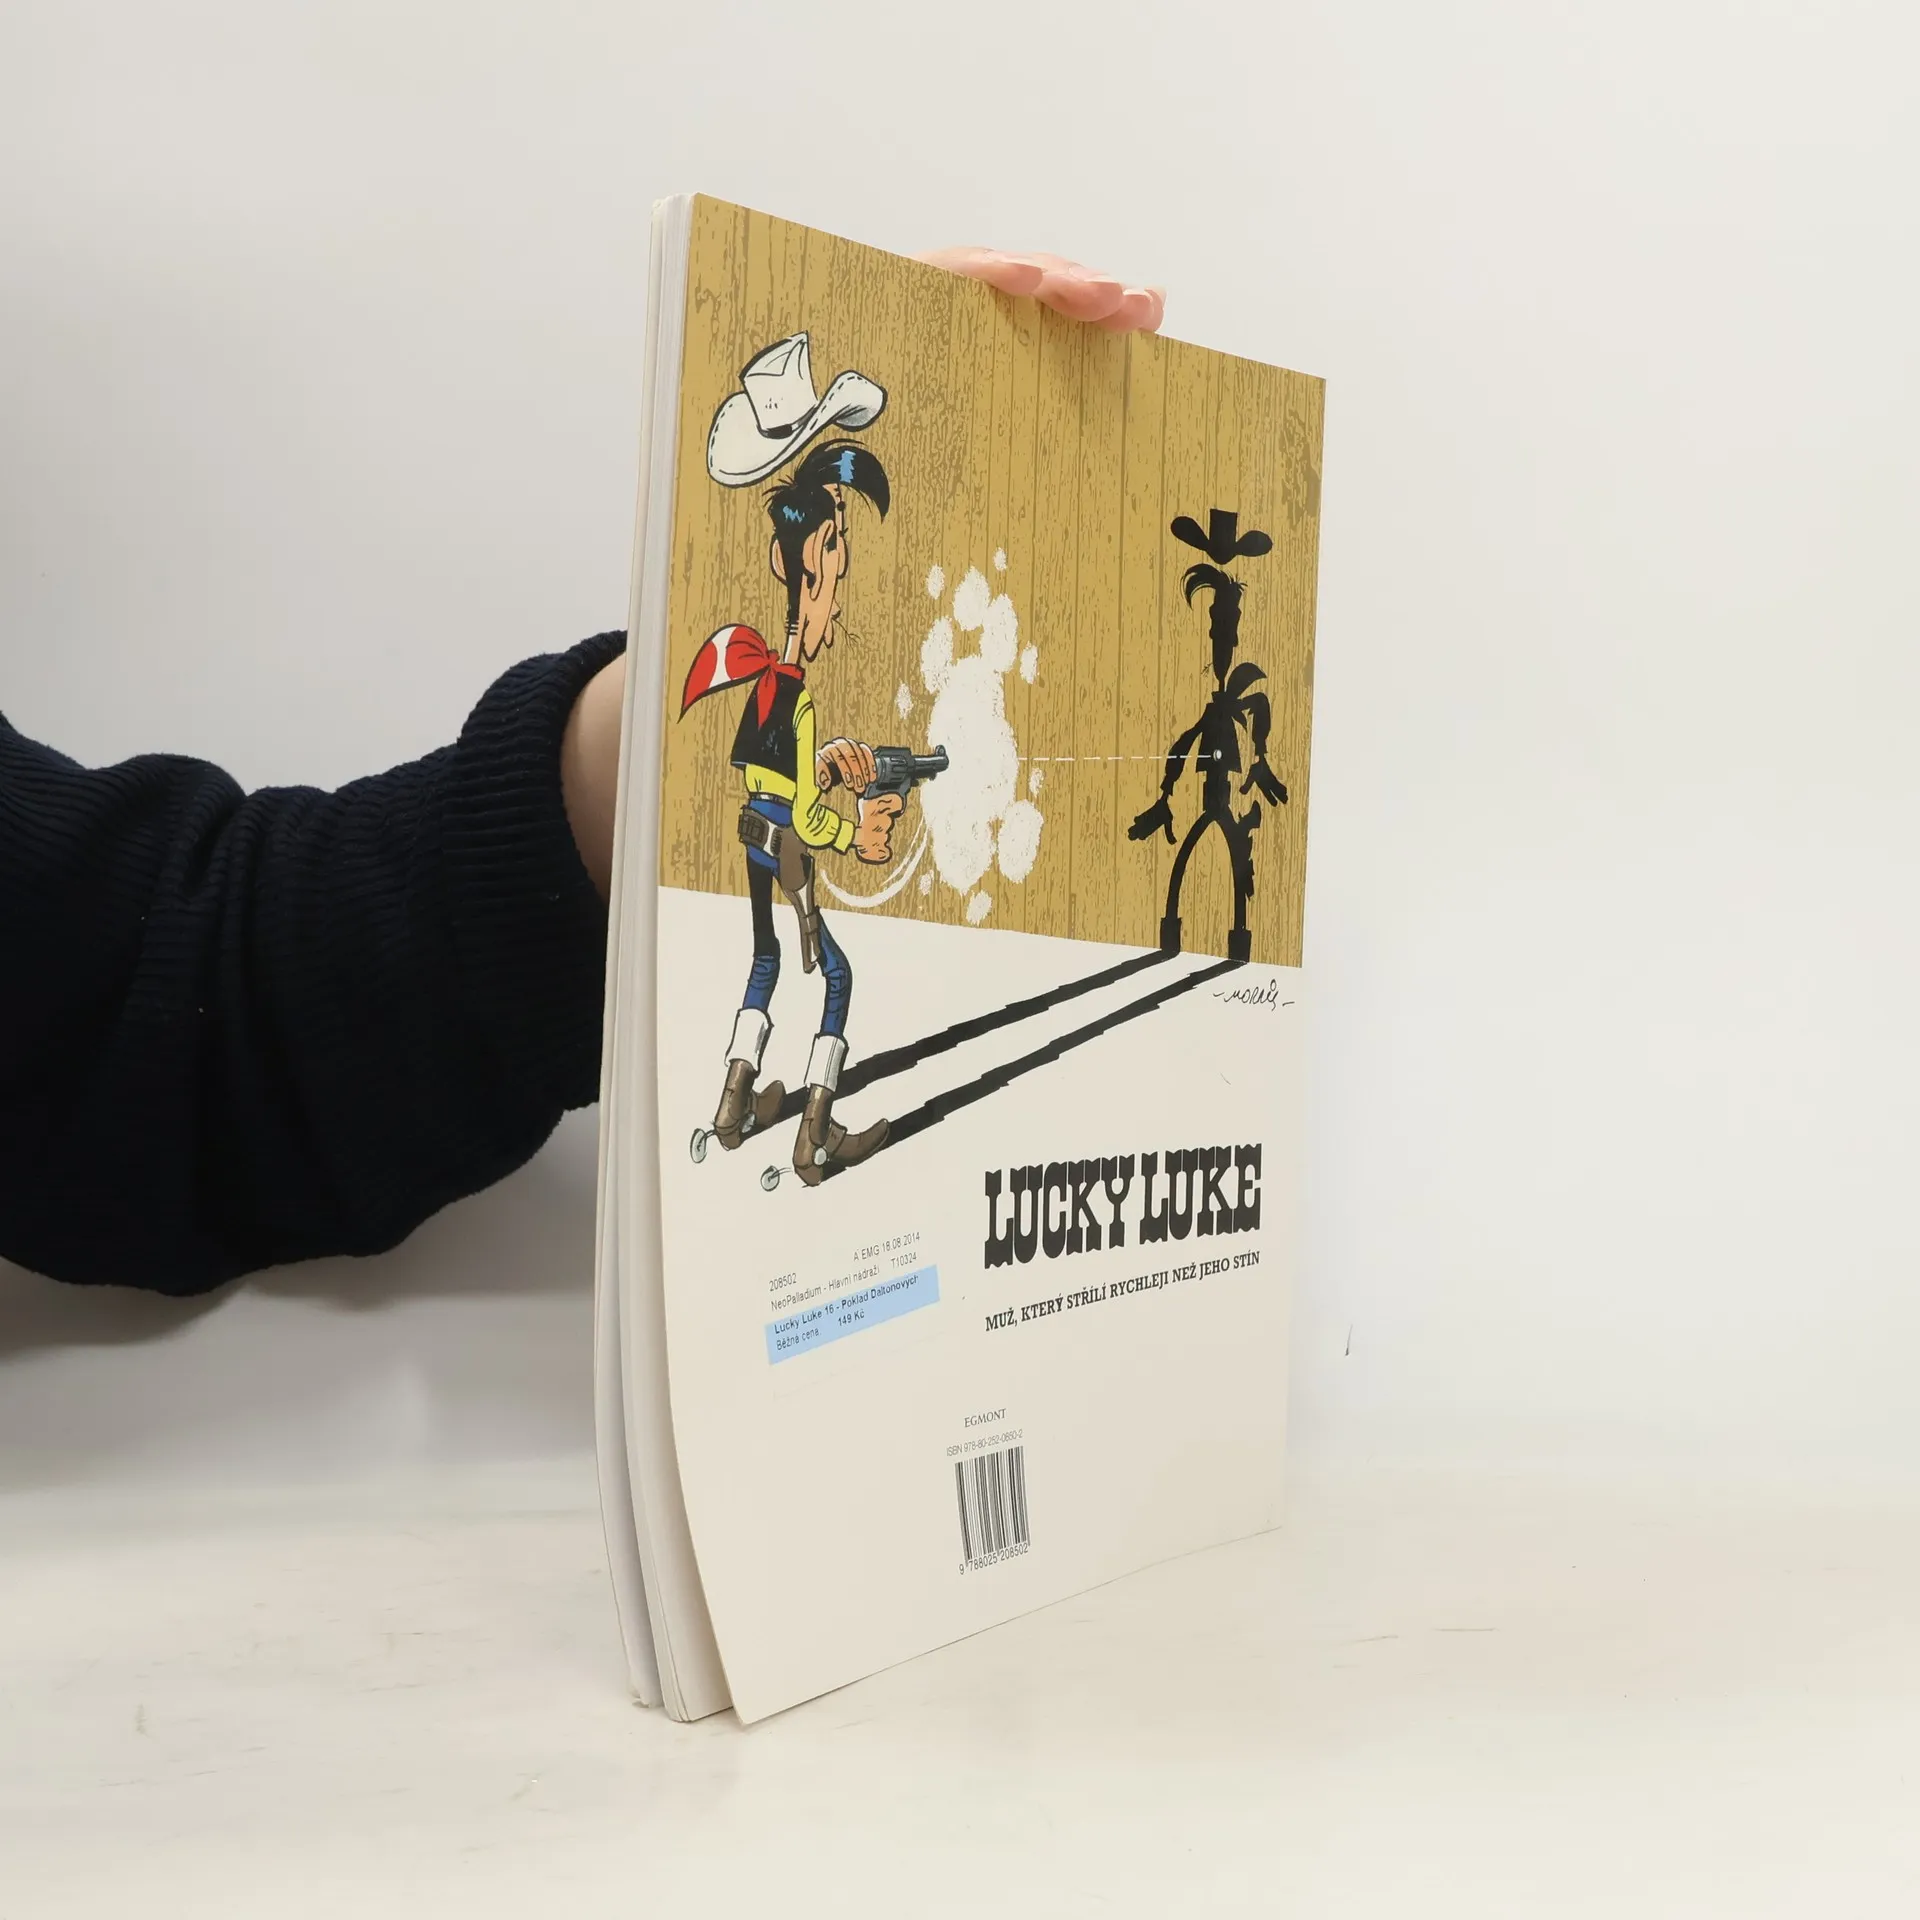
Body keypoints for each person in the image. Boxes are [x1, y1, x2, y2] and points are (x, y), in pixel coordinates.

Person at [0, 250, 1165, 1296]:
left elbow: (169, 1011)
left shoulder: (753, 671)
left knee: (782, 965)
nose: (840, 578)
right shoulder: (767, 678)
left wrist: (616, 781)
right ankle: (803, 1119)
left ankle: (758, 1097)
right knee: (825, 975)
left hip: (706, 847)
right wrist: (837, 815)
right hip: (770, 842)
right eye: (830, 550)